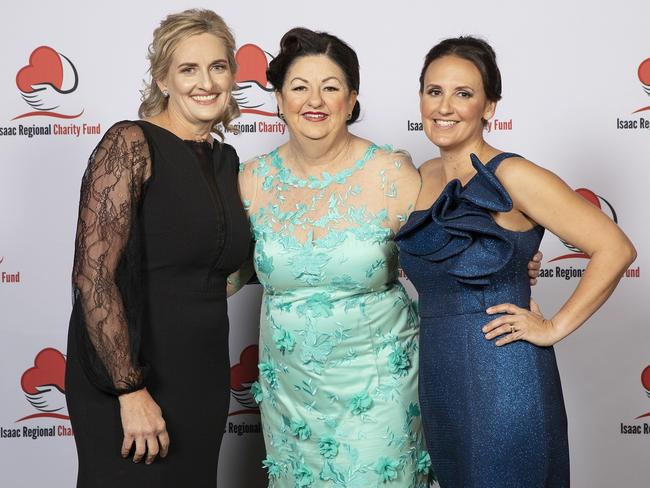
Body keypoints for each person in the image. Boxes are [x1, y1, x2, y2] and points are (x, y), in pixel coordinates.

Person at [395, 36, 636, 487]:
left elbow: (616, 248)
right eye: (434, 91)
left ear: (489, 106)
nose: (445, 106)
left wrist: (553, 327)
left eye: (463, 94)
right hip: (439, 376)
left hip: (505, 378)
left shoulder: (514, 174)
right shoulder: (420, 175)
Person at [236, 27, 430, 487]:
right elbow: (223, 272)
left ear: (351, 99)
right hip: (290, 398)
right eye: (299, 87)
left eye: (331, 87)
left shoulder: (390, 172)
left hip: (378, 386)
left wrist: (507, 268)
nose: (314, 100)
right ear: (279, 99)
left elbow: (443, 256)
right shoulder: (251, 179)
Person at [65, 9, 251, 487]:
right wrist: (130, 390)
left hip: (203, 375)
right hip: (129, 377)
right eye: (188, 69)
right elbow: (93, 278)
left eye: (218, 67)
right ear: (163, 80)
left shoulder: (227, 161)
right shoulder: (130, 144)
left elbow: (224, 270)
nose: (205, 82)